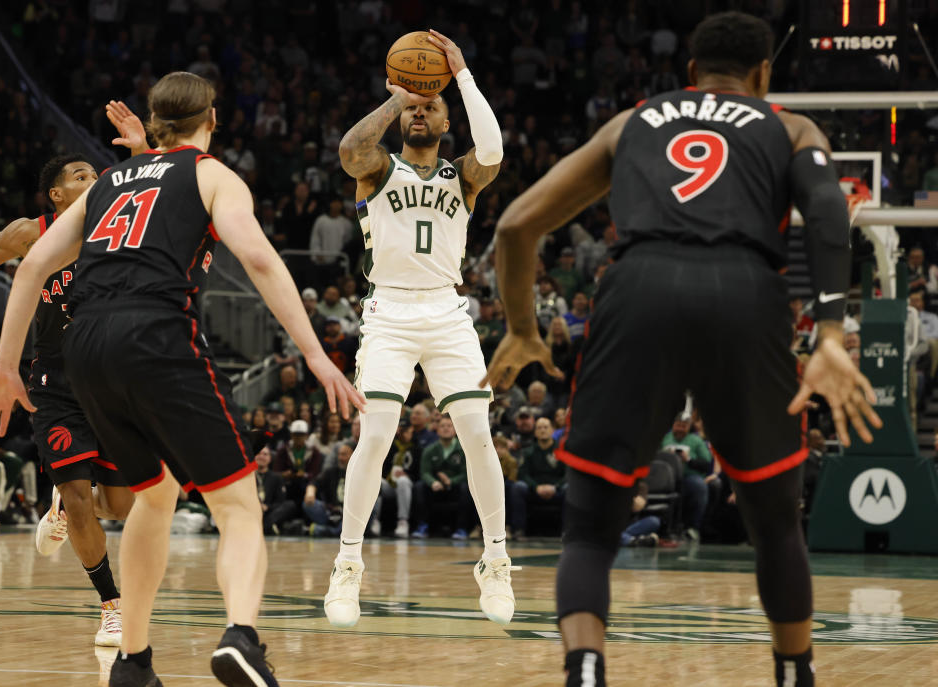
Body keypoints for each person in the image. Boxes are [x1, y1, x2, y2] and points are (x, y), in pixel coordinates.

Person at [482, 13, 881, 687]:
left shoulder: (634, 121)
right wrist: (832, 331)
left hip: (638, 287)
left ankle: (584, 671)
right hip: (746, 292)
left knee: (589, 525)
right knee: (776, 521)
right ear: (763, 76)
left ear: (690, 75)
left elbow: (517, 224)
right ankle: (794, 674)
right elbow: (826, 208)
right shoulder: (787, 126)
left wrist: (522, 327)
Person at [0, 71, 363, 687]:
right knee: (238, 506)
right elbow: (260, 258)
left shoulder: (105, 184)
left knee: (153, 497)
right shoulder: (212, 174)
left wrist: (1, 368)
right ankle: (241, 636)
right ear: (212, 119)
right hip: (155, 332)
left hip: (85, 348)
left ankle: (133, 662)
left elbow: (29, 273)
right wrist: (316, 355)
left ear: (154, 124)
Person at [322, 28, 518, 631]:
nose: (419, 113)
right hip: (388, 313)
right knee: (376, 435)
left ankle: (495, 558)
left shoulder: (464, 176)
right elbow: (351, 148)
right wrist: (397, 94)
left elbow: (495, 151)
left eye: (428, 106)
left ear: (444, 117)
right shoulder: (378, 170)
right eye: (413, 107)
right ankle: (347, 565)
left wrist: (460, 77)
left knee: (476, 434)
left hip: (447, 310)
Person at [0, 100, 150, 647]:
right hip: (54, 384)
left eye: (96, 174)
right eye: (80, 176)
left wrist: (144, 151)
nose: (93, 179)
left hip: (114, 382)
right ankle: (111, 607)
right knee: (78, 494)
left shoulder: (124, 225)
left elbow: (173, 192)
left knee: (119, 506)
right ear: (57, 195)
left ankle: (63, 507)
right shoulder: (32, 233)